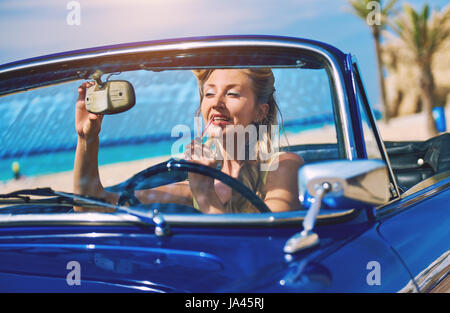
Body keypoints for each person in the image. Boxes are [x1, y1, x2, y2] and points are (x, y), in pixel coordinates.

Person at [74, 68, 304, 214]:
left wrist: (205, 196)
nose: (216, 103)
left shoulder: (282, 166)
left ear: (260, 112)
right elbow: (92, 205)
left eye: (232, 94)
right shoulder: (193, 185)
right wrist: (87, 138)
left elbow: (270, 246)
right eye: (209, 93)